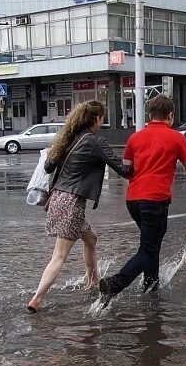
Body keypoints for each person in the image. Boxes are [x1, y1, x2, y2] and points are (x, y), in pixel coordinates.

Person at [99, 95, 186, 301]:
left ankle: (151, 286)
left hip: (133, 200)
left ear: (150, 115)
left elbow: (126, 170)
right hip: (155, 201)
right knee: (147, 250)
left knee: (152, 245)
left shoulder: (134, 138)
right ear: (170, 116)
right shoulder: (177, 138)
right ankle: (115, 283)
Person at [28, 101, 132, 313]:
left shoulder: (66, 139)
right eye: (101, 118)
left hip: (57, 198)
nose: (101, 122)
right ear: (96, 119)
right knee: (59, 256)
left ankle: (93, 279)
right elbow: (122, 169)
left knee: (91, 238)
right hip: (72, 202)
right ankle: (36, 299)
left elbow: (48, 167)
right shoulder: (95, 142)